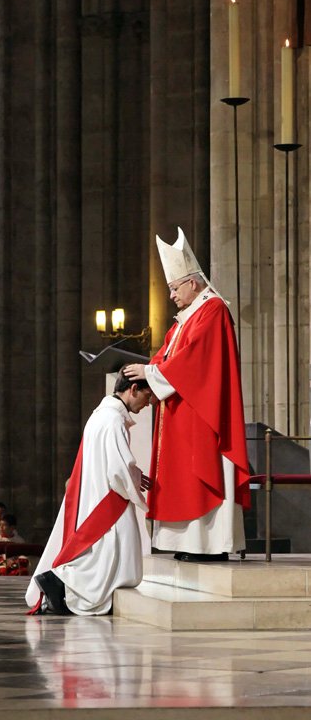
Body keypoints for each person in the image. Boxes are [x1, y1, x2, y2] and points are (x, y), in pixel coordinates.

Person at [124, 227, 251, 563]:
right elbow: (167, 353)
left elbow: (196, 360)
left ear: (192, 283)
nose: (171, 295)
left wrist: (152, 373)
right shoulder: (186, 318)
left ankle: (209, 545)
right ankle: (189, 543)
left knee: (201, 472)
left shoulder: (212, 310)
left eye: (174, 287)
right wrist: (147, 372)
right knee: (181, 476)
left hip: (204, 414)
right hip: (183, 411)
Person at [25, 372, 153, 616]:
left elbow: (113, 461)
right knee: (112, 556)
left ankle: (58, 584)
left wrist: (133, 473)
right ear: (133, 388)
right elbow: (118, 469)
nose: (148, 404)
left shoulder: (100, 416)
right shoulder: (114, 420)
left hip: (96, 492)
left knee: (101, 554)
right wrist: (134, 483)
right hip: (109, 498)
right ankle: (59, 585)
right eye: (147, 396)